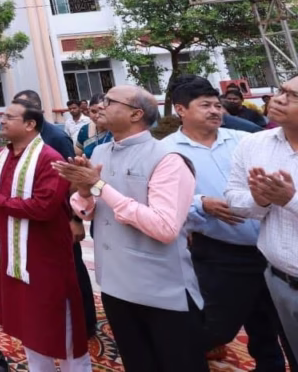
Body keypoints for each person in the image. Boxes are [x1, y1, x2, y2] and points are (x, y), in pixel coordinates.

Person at [56, 85, 207, 372]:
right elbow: (88, 211)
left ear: (136, 114)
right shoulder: (100, 152)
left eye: (110, 101)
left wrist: (99, 185)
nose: (100, 106)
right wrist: (85, 191)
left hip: (161, 288)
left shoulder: (167, 158)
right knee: (137, 361)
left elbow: (164, 227)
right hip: (115, 282)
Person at [163, 81, 292, 370]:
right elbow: (162, 199)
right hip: (219, 253)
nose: (215, 111)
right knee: (214, 326)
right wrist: (201, 203)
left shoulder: (245, 140)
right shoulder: (165, 151)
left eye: (217, 105)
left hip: (271, 248)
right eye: (205, 106)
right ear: (181, 110)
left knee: (271, 325)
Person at [0, 99, 90, 371]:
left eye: (9, 117)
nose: (1, 120)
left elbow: (44, 208)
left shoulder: (49, 159)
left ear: (30, 124)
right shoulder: (1, 156)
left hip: (44, 259)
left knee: (61, 326)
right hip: (13, 259)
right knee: (30, 327)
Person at [12, 88, 96, 337]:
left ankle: (86, 323)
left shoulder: (56, 138)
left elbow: (73, 180)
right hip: (39, 218)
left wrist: (75, 219)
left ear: (36, 111)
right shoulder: (23, 140)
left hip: (63, 218)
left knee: (73, 271)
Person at [225, 77, 298, 356]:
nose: (278, 99)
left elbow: (289, 200)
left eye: (293, 96)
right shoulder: (253, 144)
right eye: (281, 91)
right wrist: (259, 199)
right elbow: (234, 199)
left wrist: (290, 200)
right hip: (279, 280)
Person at [76, 94, 112, 159]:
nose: (97, 116)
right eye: (93, 111)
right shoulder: (84, 130)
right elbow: (78, 155)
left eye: (101, 111)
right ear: (89, 110)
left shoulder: (118, 129)